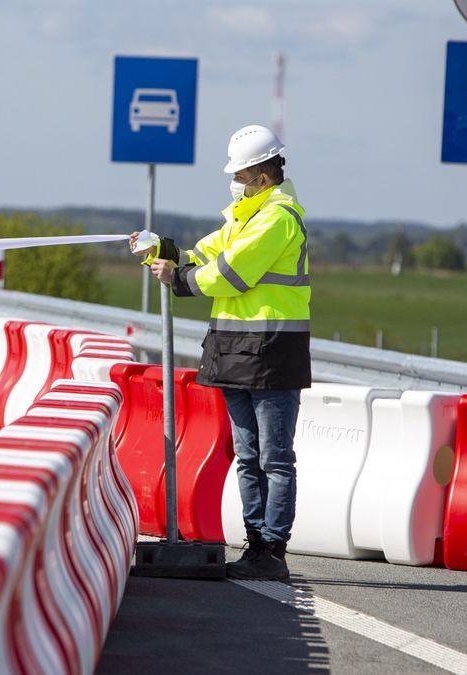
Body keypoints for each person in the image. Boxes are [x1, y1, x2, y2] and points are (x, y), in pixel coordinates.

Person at [131, 124, 310, 580]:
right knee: (248, 454)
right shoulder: (241, 216)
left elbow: (230, 274)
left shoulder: (277, 219)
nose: (236, 182)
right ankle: (255, 544)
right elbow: (201, 252)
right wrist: (162, 250)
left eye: (242, 175)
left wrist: (180, 279)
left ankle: (271, 551)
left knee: (274, 457)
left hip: (272, 352)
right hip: (235, 351)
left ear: (263, 176)